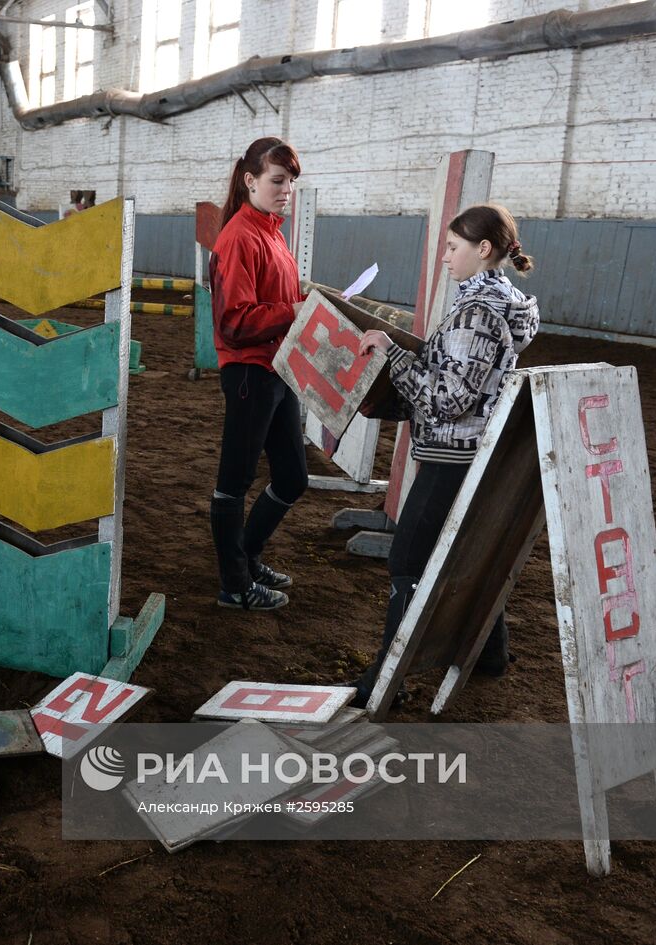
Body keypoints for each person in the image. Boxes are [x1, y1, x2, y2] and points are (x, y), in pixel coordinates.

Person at [349, 203, 540, 708]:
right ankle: (491, 655)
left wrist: (392, 352)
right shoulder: (496, 300)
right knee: (463, 552)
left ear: (483, 250)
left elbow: (449, 399)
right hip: (471, 451)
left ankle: (387, 679)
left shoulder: (477, 310)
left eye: (453, 248)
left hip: (451, 453)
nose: (444, 258)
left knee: (408, 556)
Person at [208, 136, 310, 611]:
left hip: (277, 368)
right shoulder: (238, 237)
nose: (286, 188)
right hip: (250, 371)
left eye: (290, 181)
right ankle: (235, 584)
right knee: (235, 479)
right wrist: (294, 310)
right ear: (250, 180)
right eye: (277, 180)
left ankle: (244, 555)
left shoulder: (273, 232)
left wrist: (302, 303)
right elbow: (234, 322)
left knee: (292, 476)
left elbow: (279, 299)